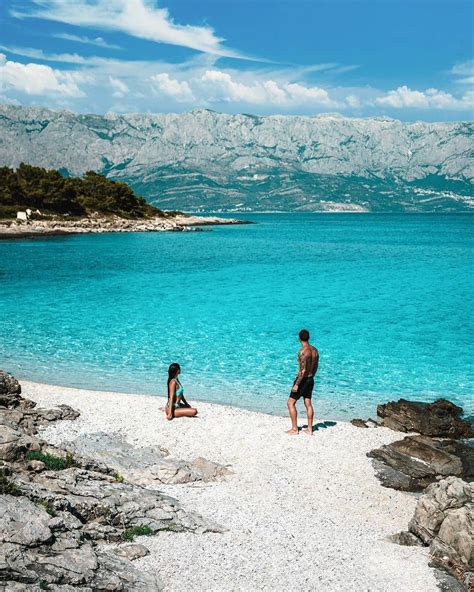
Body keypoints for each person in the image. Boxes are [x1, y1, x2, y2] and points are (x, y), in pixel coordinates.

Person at [287, 329, 319, 435]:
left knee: (290, 403)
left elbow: (302, 370)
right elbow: (315, 366)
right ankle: (310, 429)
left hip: (303, 380)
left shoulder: (302, 352)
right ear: (308, 337)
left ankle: (294, 429)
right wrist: (311, 377)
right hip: (311, 379)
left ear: (299, 338)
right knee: (308, 403)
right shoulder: (315, 350)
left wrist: (296, 384)